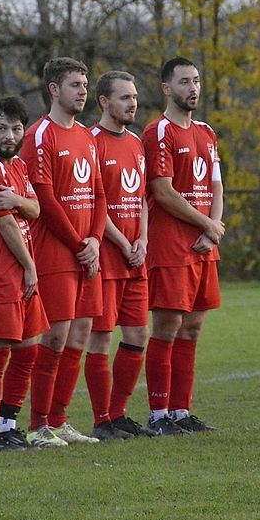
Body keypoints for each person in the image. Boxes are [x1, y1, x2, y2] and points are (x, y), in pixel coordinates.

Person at [20, 57, 106, 447]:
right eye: (75, 85)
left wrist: (95, 241)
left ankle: (60, 419)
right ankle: (38, 426)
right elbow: (44, 198)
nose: (83, 91)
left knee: (80, 334)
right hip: (56, 252)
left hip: (88, 251)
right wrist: (77, 243)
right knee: (54, 336)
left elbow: (100, 194)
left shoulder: (88, 137)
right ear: (54, 90)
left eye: (85, 85)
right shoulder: (41, 134)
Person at [142, 56, 224, 435]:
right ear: (166, 88)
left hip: (205, 244)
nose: (192, 88)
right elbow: (162, 191)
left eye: (196, 81)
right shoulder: (159, 132)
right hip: (172, 245)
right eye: (184, 82)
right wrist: (207, 223)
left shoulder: (207, 132)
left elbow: (217, 185)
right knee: (168, 327)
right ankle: (159, 415)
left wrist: (213, 229)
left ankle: (180, 410)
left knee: (193, 328)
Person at [0, 96, 49, 452]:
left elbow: (34, 209)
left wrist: (17, 201)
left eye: (16, 128)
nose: (9, 134)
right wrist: (31, 267)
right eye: (2, 128)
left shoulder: (17, 166)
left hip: (21, 274)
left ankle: (8, 425)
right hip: (0, 274)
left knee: (29, 351)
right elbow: (6, 224)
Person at [87, 71, 157, 439]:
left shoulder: (134, 143)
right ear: (104, 102)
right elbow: (97, 205)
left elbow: (141, 200)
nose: (133, 103)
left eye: (134, 97)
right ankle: (102, 420)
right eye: (124, 97)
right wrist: (121, 242)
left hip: (135, 256)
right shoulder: (91, 142)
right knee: (100, 338)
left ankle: (118, 413)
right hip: (109, 257)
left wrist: (142, 240)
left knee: (137, 334)